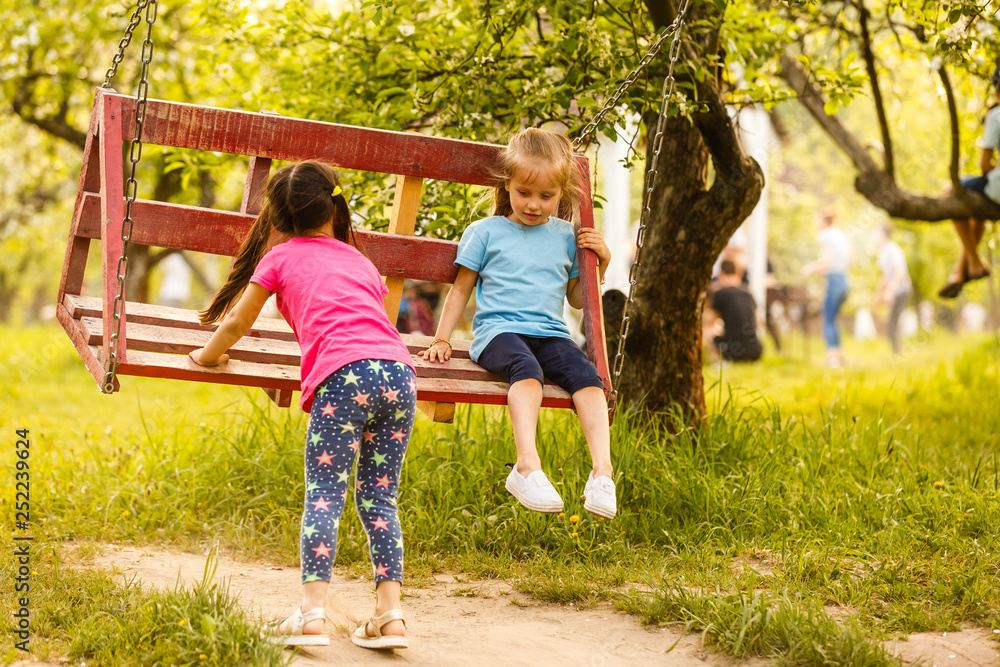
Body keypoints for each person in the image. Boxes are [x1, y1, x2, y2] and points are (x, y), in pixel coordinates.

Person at [189, 161, 414, 650]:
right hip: (398, 375)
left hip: (343, 378)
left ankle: (313, 615)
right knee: (380, 497)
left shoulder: (279, 259)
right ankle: (390, 616)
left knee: (325, 495)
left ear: (277, 219)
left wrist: (208, 355)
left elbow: (237, 325)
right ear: (335, 206)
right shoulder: (361, 262)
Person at [420, 127, 617, 519]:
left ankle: (602, 473)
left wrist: (603, 263)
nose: (534, 204)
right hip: (498, 334)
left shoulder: (566, 236)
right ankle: (526, 466)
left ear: (562, 194)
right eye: (524, 192)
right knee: (527, 372)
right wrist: (442, 337)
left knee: (588, 377)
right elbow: (461, 290)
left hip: (550, 333)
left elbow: (578, 300)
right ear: (507, 183)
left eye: (546, 196)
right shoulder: (485, 232)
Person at [939, 65, 1000, 299]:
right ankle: (959, 272)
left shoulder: (996, 115)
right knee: (976, 209)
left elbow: (985, 164)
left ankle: (973, 263)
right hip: (992, 191)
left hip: (997, 188)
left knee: (954, 193)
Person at [803, 208, 851, 368]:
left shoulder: (825, 235)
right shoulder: (841, 234)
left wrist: (810, 268)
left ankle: (833, 358)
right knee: (834, 318)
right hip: (844, 280)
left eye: (817, 219)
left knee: (828, 319)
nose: (816, 223)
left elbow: (827, 259)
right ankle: (838, 355)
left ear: (824, 220)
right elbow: (851, 260)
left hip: (834, 280)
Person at [704, 260, 763, 362]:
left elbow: (709, 321)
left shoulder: (720, 293)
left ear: (720, 274)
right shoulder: (748, 293)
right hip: (755, 352)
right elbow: (759, 322)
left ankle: (720, 361)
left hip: (732, 352)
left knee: (706, 330)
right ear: (738, 273)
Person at [873, 224, 912, 354]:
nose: (874, 236)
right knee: (891, 324)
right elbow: (885, 276)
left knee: (892, 324)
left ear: (883, 234)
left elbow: (899, 273)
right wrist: (877, 294)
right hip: (895, 290)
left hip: (902, 290)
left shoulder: (892, 249)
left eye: (876, 233)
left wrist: (890, 292)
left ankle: (897, 354)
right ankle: (896, 353)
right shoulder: (883, 252)